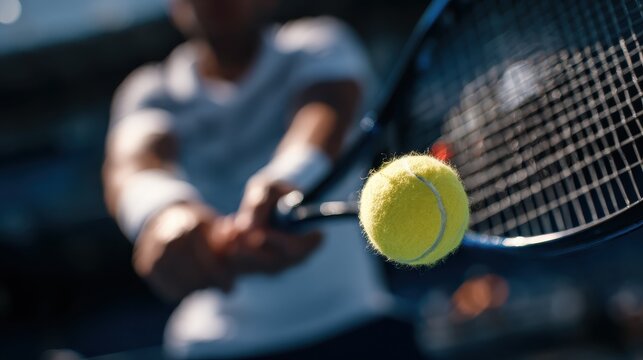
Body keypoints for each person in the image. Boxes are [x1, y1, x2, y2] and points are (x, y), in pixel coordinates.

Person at [103, 0, 419, 358]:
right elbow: (131, 165)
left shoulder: (319, 42)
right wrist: (163, 216)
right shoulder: (149, 90)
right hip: (218, 346)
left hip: (356, 326)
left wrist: (286, 185)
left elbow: (325, 115)